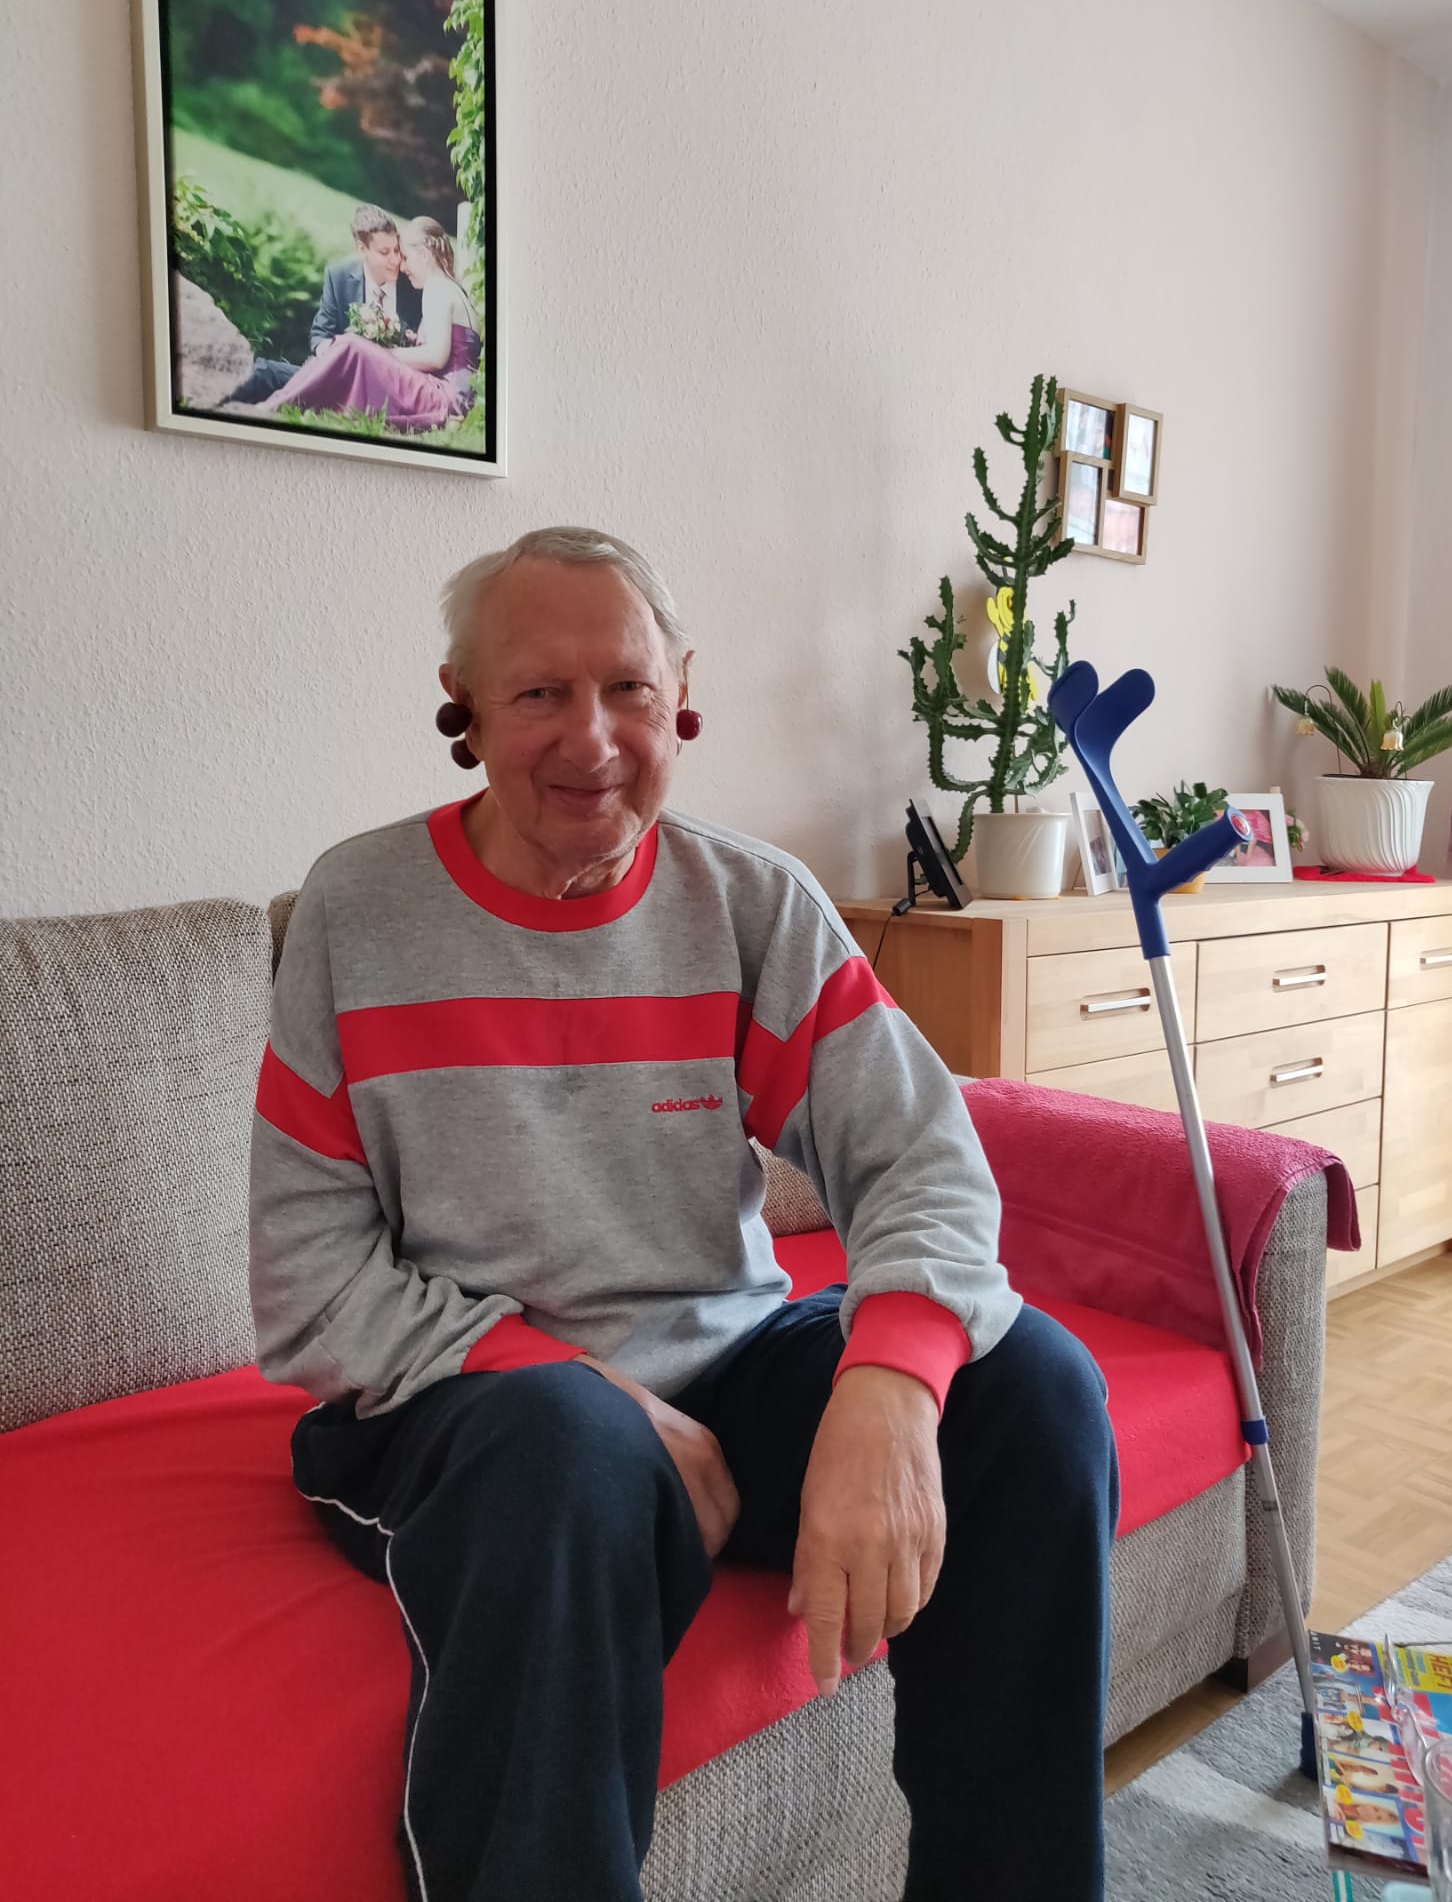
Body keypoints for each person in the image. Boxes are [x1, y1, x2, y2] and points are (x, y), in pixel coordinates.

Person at [248, 527, 1117, 1902]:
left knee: (1033, 1389)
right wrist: (602, 1396)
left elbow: (921, 1155)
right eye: (539, 693)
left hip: (727, 1369)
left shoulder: (748, 902)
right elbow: (308, 1281)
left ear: (682, 698)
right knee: (570, 1444)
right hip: (468, 1413)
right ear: (463, 706)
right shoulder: (359, 913)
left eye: (628, 690)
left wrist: (890, 1384)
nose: (590, 738)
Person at [244, 215, 480, 432]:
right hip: (452, 396)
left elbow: (435, 357)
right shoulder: (452, 289)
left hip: (444, 399)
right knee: (350, 348)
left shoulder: (436, 288)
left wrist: (381, 352)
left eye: (406, 257)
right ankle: (273, 393)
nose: (402, 266)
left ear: (425, 254)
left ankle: (273, 406)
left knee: (352, 345)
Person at [224, 203, 425, 406]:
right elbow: (320, 334)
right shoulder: (339, 276)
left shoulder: (413, 284)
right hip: (339, 379)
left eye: (396, 250)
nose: (395, 260)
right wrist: (335, 354)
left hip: (389, 388)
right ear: (362, 248)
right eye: (384, 252)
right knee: (264, 372)